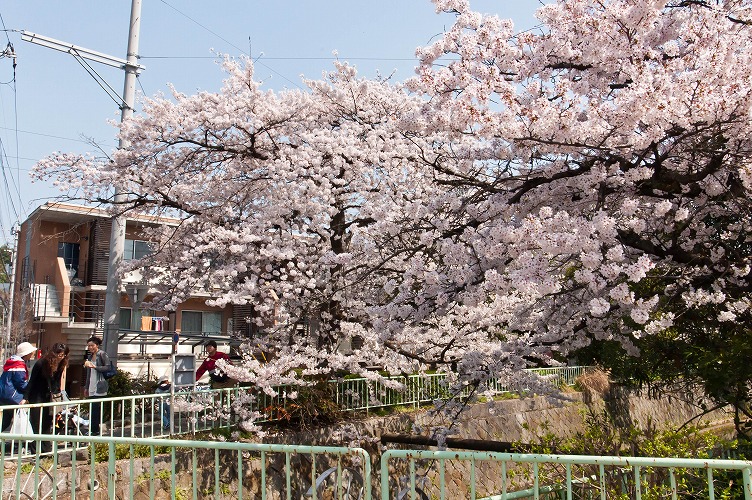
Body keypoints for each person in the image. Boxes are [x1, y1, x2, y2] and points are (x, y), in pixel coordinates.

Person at [25, 343, 68, 451]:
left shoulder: (62, 364)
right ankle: (35, 451)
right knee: (36, 423)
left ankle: (45, 451)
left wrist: (59, 395)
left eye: (63, 355)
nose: (61, 357)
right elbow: (32, 381)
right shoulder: (42, 363)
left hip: (50, 396)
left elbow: (57, 382)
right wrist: (26, 397)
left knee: (47, 423)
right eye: (59, 354)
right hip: (37, 394)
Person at [0, 342, 36, 431]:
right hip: (13, 397)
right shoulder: (19, 365)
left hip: (4, 395)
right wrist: (30, 390)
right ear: (26, 353)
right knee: (15, 420)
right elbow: (21, 383)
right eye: (31, 352)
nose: (32, 354)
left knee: (4, 421)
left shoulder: (11, 363)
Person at [83, 336, 109, 435]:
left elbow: (107, 367)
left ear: (97, 345)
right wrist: (86, 387)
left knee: (95, 408)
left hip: (100, 385)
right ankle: (94, 429)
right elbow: (88, 374)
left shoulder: (102, 354)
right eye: (88, 346)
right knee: (92, 408)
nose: (90, 347)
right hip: (91, 384)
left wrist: (95, 366)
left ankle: (94, 430)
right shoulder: (90, 356)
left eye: (92, 345)